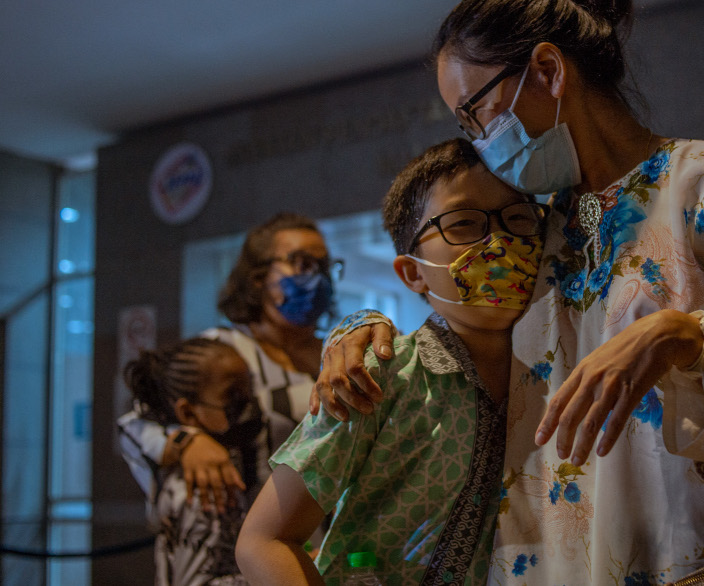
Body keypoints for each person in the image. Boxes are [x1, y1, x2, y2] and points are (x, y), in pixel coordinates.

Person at [313, 0, 704, 584]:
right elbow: (458, 326)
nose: (479, 141)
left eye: (477, 113)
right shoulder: (537, 232)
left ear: (548, 72)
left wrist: (688, 340)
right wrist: (359, 327)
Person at [235, 138, 548, 584]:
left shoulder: (559, 367)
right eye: (463, 223)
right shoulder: (376, 375)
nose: (499, 242)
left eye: (518, 219)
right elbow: (264, 539)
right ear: (413, 272)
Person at [119, 212, 338, 513]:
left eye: (324, 266)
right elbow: (135, 424)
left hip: (334, 533)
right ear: (258, 278)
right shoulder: (222, 352)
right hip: (246, 532)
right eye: (302, 263)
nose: (318, 277)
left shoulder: (339, 351)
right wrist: (186, 442)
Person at [122, 337, 265, 585]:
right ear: (188, 412)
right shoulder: (203, 487)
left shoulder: (231, 460)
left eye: (249, 389)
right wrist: (275, 574)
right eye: (232, 396)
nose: (248, 404)